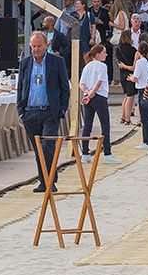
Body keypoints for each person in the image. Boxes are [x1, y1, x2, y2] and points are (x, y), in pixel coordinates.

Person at [17, 31, 70, 193]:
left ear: (46, 45)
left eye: (39, 46)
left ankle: (50, 180)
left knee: (48, 146)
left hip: (49, 112)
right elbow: (21, 88)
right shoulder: (25, 63)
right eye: (33, 46)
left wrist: (61, 109)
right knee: (38, 149)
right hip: (30, 112)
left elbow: (64, 88)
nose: (36, 49)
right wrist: (21, 111)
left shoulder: (56, 62)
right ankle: (43, 180)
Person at [79, 42, 112, 161]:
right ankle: (107, 153)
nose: (106, 55)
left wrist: (87, 92)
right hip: (99, 96)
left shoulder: (87, 66)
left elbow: (81, 84)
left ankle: (85, 152)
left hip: (89, 95)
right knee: (105, 124)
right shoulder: (102, 66)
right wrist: (92, 92)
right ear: (97, 54)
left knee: (88, 124)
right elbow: (99, 82)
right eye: (103, 53)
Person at [133, 39, 148, 147]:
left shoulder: (139, 62)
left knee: (144, 116)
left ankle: (146, 141)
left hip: (143, 89)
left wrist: (131, 78)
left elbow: (136, 77)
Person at [114, 27, 139, 126]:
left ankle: (123, 117)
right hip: (129, 73)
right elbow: (133, 66)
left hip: (122, 74)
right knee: (130, 96)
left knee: (126, 96)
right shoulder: (133, 50)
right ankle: (128, 119)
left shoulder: (118, 49)